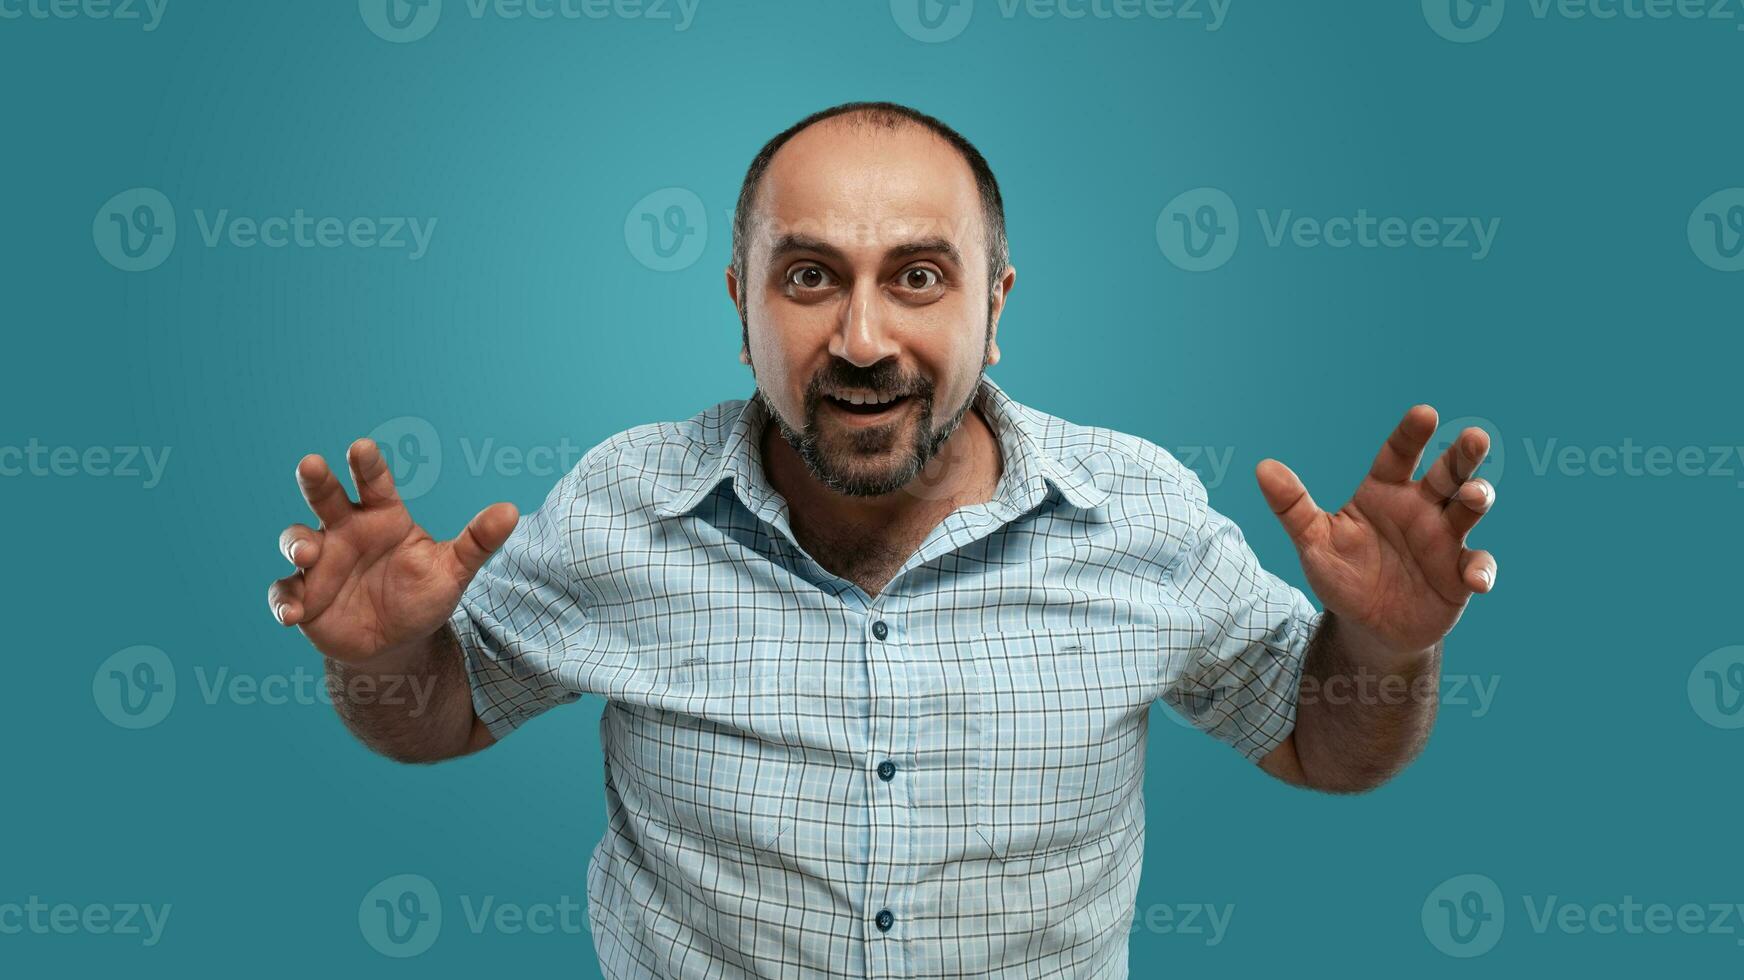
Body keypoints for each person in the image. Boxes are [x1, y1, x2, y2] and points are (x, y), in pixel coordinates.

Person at [267, 101, 1499, 978]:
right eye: (808, 277)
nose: (861, 337)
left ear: (994, 304)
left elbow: (1319, 743)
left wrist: (1385, 644)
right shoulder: (620, 504)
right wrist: (376, 655)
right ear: (740, 304)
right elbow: (447, 712)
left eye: (918, 276)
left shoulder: (1141, 512)